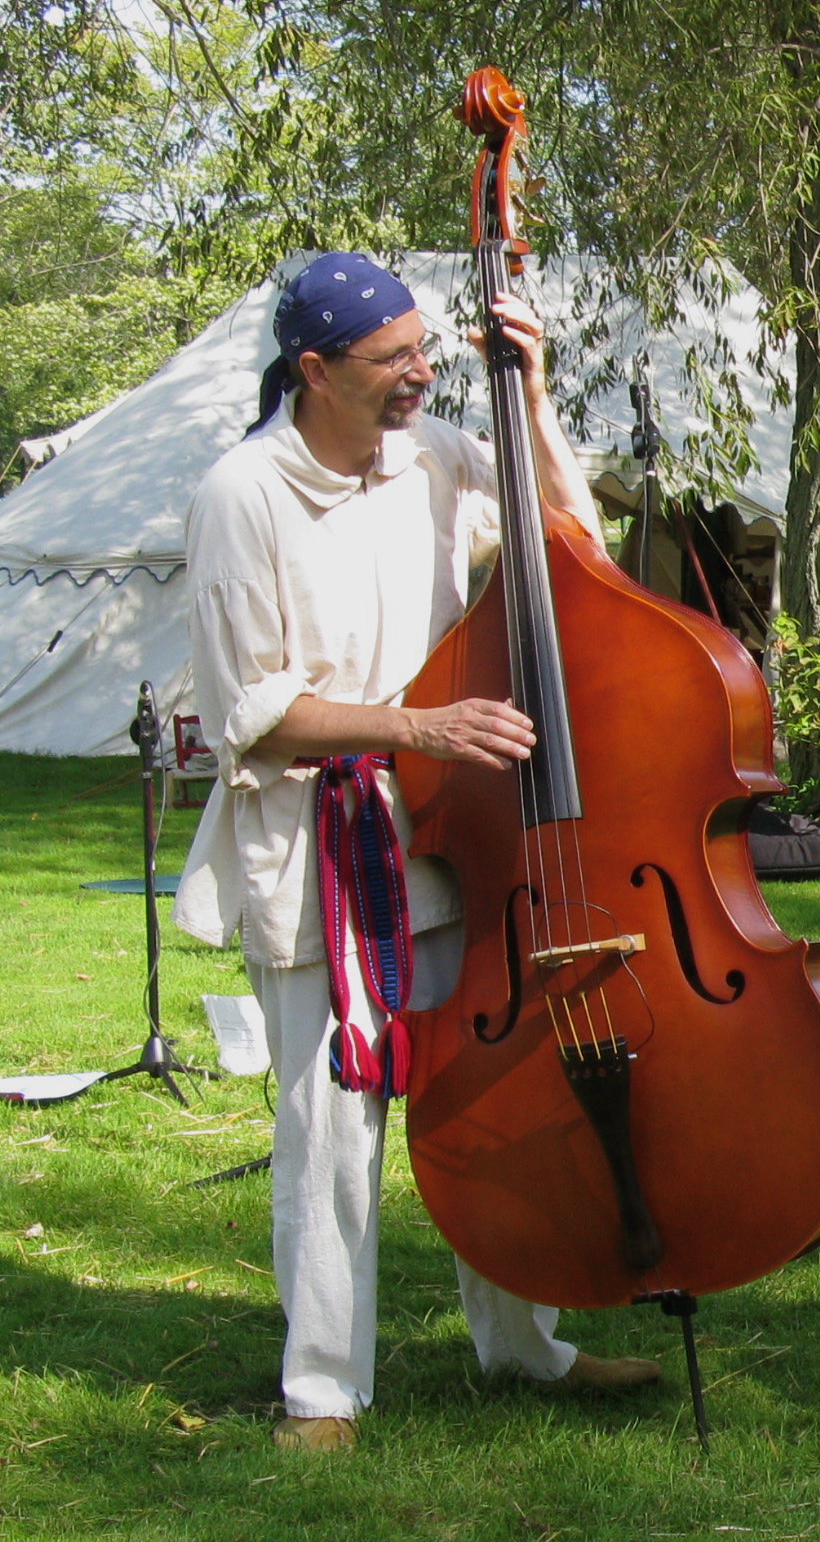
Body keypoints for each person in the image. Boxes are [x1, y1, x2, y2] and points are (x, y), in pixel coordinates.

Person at [172, 254, 662, 1453]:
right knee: (332, 1126)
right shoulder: (241, 493)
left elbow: (571, 540)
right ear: (314, 371)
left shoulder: (437, 449)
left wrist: (531, 396)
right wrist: (416, 724)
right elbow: (255, 710)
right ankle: (321, 1390)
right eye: (392, 360)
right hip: (320, 850)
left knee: (490, 1096)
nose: (421, 375)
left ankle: (521, 1344)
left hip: (456, 840)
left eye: (422, 351)